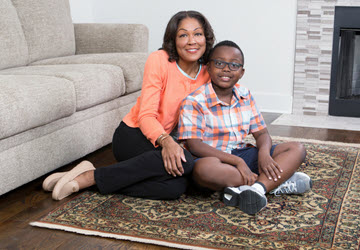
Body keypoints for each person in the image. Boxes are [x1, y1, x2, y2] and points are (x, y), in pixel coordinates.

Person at [42, 10, 215, 201]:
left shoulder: (209, 72)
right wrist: (167, 142)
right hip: (133, 136)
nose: (192, 41)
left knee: (175, 188)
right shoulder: (160, 60)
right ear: (173, 40)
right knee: (186, 163)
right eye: (183, 35)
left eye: (197, 34)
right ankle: (87, 177)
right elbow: (146, 115)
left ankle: (94, 178)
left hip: (163, 147)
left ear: (206, 38)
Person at [177, 40, 311, 215]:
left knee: (296, 148)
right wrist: (237, 162)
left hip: (241, 153)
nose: (226, 69)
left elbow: (261, 132)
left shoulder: (245, 95)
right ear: (208, 67)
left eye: (234, 65)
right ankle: (274, 182)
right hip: (212, 158)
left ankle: (255, 189)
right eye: (219, 63)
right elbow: (195, 145)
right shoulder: (194, 101)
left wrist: (263, 154)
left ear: (241, 72)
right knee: (204, 170)